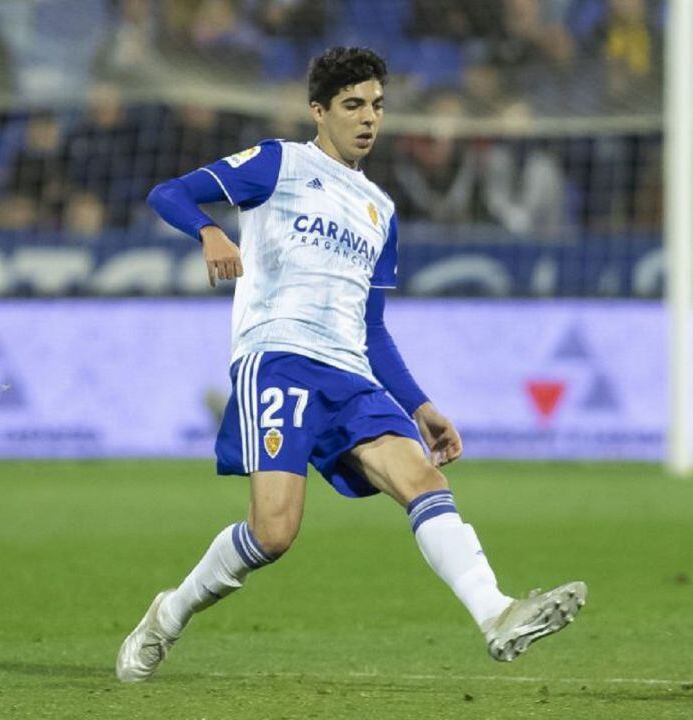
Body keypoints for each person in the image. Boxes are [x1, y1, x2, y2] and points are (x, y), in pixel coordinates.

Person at [116, 46, 586, 683]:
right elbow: (167, 192)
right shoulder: (279, 164)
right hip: (278, 359)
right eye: (353, 105)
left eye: (378, 106)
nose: (369, 118)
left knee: (423, 479)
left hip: (350, 375)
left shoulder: (380, 211)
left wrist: (420, 405)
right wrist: (208, 230)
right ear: (319, 111)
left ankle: (496, 612)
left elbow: (371, 328)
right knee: (274, 534)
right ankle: (168, 615)